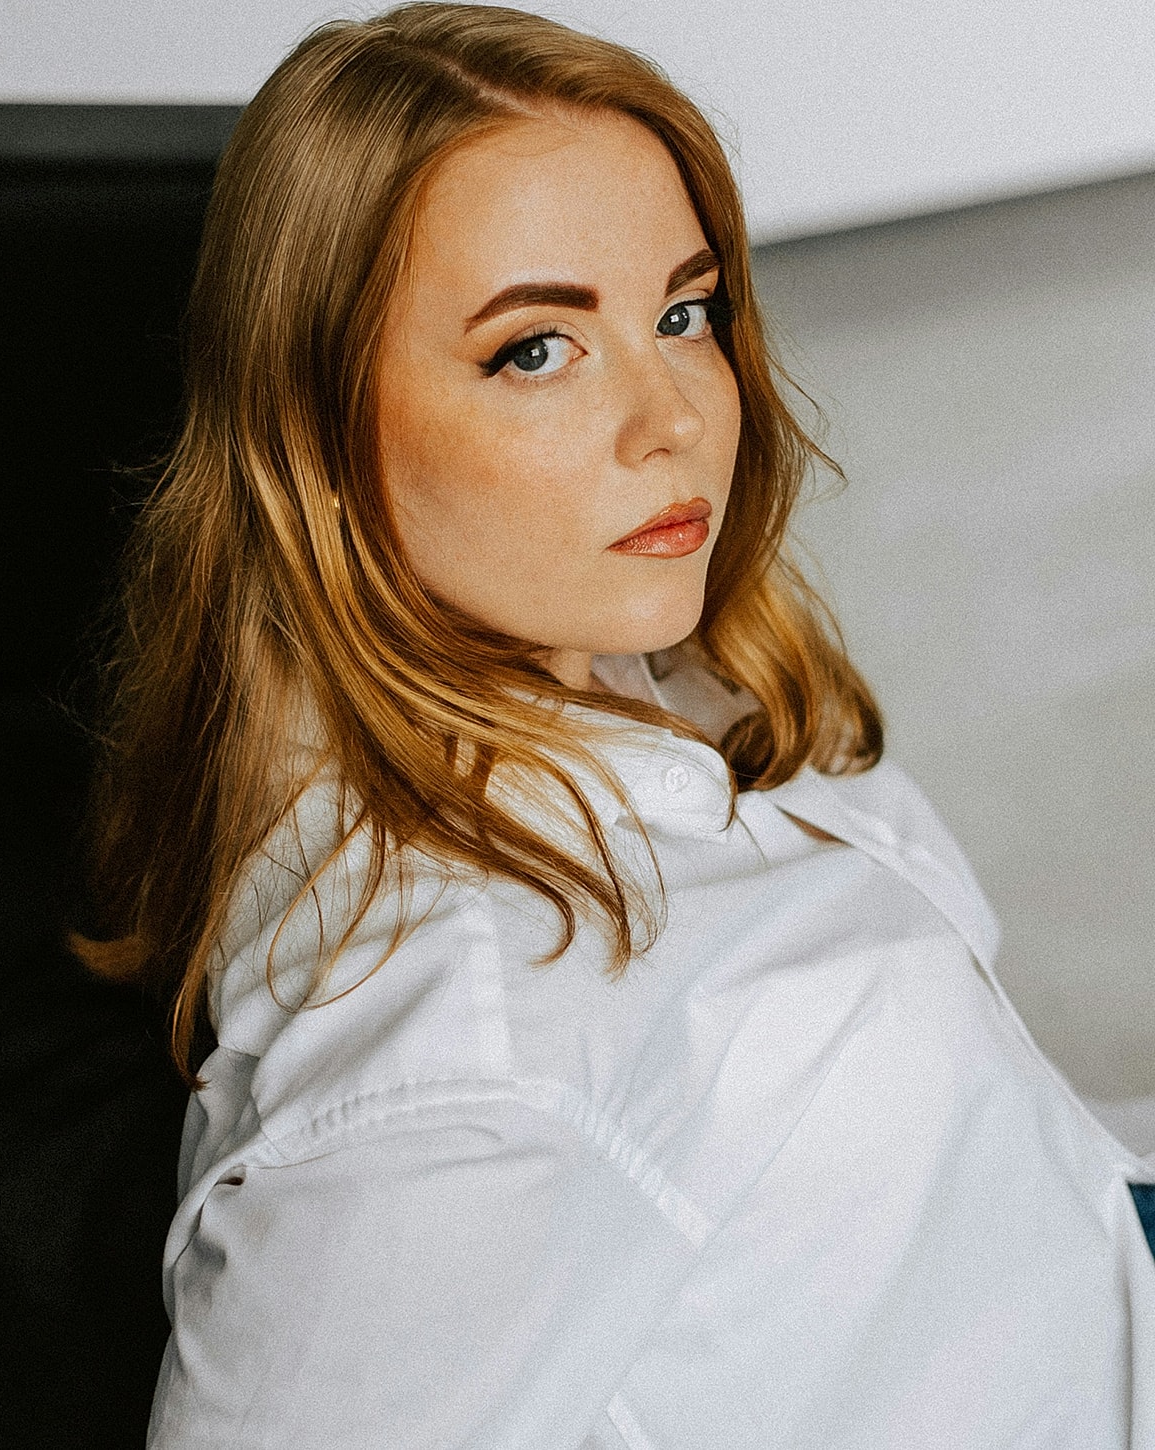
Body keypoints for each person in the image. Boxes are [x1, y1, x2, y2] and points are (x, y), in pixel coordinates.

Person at [74, 4, 1155, 1445]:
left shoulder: (651, 675)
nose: (674, 417)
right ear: (319, 434)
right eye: (536, 349)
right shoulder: (467, 1062)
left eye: (682, 312)